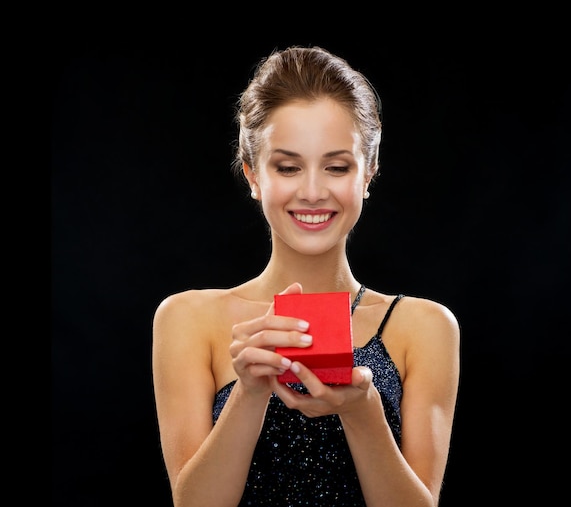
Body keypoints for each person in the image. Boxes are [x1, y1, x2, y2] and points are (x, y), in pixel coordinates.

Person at [152, 45, 460, 507]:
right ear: (253, 175)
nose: (313, 192)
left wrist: (363, 414)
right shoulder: (188, 318)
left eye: (337, 167)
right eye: (288, 167)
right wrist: (250, 392)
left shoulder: (425, 326)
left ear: (368, 173)